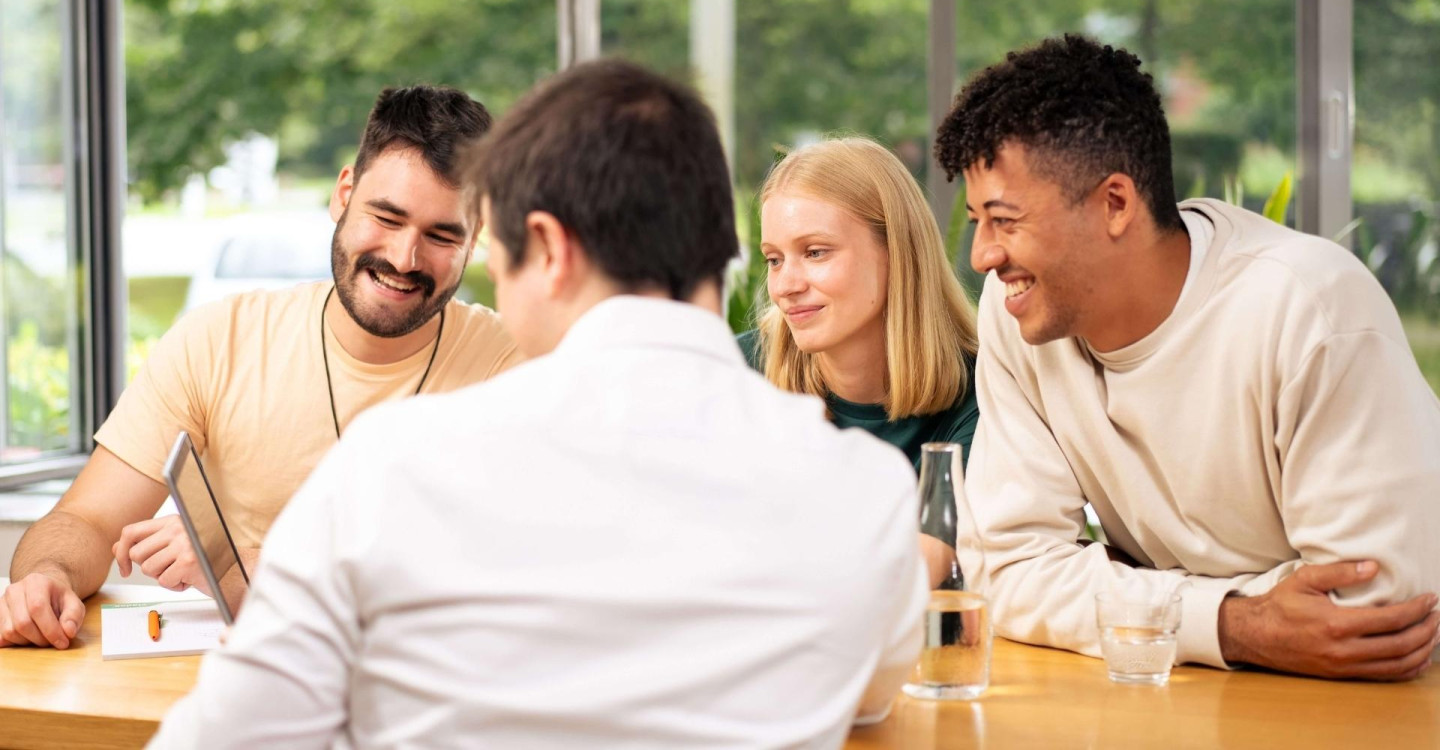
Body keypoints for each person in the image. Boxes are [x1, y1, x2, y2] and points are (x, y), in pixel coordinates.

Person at [147, 59, 925, 748]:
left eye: (500, 256)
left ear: (548, 249)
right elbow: (867, 698)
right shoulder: (865, 492)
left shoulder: (388, 468)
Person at [940, 34, 1440, 681]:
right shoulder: (1018, 315)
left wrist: (1126, 585)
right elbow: (1006, 571)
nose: (982, 255)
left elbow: (1374, 617)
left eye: (1005, 221)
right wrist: (1236, 622)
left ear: (1115, 204)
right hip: (1190, 697)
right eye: (976, 220)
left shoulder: (1310, 310)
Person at [1, 85, 520, 650]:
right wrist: (46, 576)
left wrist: (252, 563)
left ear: (474, 240)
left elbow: (505, 574)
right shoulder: (218, 339)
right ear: (344, 194)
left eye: (441, 235)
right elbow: (85, 521)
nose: (403, 258)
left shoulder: (511, 363)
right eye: (386, 217)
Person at [739, 137, 980, 473]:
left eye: (815, 253)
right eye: (774, 260)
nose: (785, 287)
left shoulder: (985, 394)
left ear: (896, 252)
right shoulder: (737, 374)